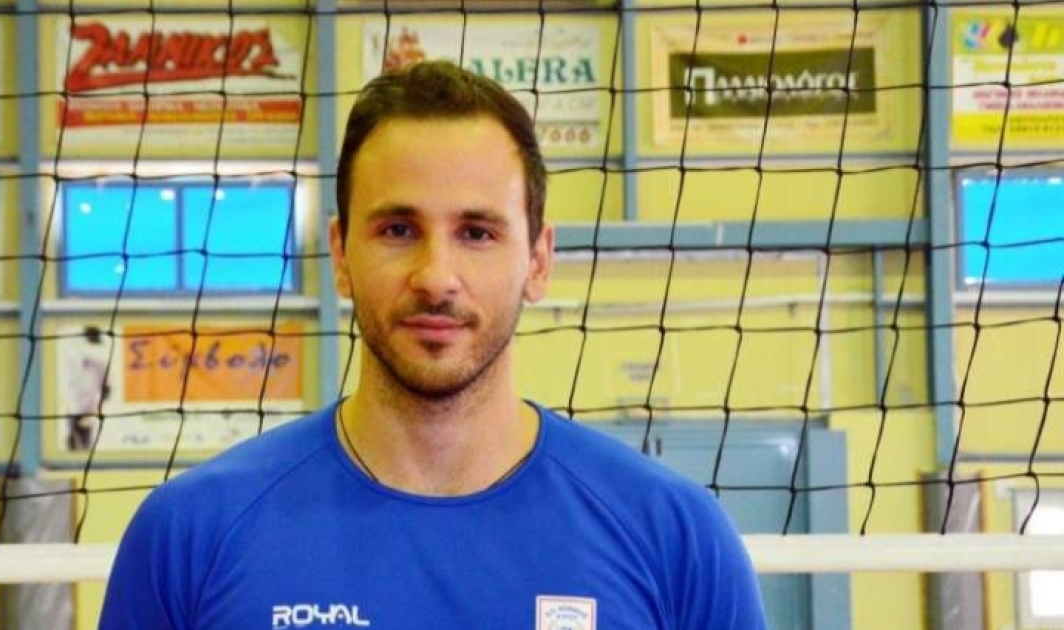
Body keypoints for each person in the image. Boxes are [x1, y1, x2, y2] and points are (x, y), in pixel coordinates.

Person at [98, 60, 769, 630]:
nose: (436, 277)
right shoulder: (189, 537)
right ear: (340, 254)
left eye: (477, 233)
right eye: (397, 230)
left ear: (538, 260)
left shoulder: (676, 540)